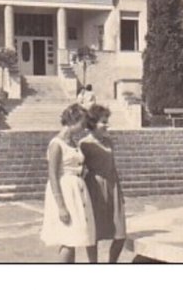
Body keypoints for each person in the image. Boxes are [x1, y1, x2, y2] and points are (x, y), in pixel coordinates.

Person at [40, 104, 97, 263]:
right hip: (65, 192)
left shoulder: (73, 143)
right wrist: (61, 206)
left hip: (77, 190)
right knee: (69, 238)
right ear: (72, 121)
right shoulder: (56, 144)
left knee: (76, 237)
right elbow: (52, 175)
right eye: (82, 124)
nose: (84, 128)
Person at [80, 104, 126, 262]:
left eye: (107, 121)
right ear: (93, 123)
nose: (107, 125)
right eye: (104, 122)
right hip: (94, 189)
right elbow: (79, 170)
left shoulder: (108, 142)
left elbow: (112, 166)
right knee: (93, 232)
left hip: (112, 186)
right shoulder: (84, 144)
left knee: (120, 234)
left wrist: (119, 192)